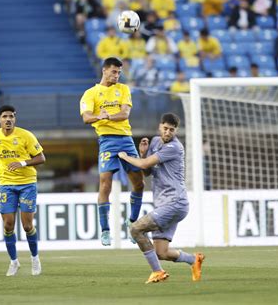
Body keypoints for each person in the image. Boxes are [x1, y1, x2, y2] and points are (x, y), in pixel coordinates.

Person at [118, 113, 204, 284]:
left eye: (171, 130)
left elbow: (143, 165)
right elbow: (148, 171)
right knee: (161, 253)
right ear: (160, 127)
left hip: (175, 202)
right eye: (165, 129)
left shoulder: (175, 147)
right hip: (166, 204)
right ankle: (194, 260)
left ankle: (157, 272)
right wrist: (143, 154)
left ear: (176, 131)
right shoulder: (156, 142)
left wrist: (126, 157)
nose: (167, 133)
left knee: (135, 230)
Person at [80, 57, 144, 246]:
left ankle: (132, 223)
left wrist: (107, 116)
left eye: (119, 72)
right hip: (107, 140)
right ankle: (105, 230)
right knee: (105, 183)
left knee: (139, 183)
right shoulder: (90, 93)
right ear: (104, 71)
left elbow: (125, 114)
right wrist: (98, 116)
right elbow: (86, 117)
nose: (117, 75)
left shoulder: (123, 89)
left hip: (126, 139)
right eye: (114, 71)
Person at [0, 105, 45, 276]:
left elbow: (41, 158)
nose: (8, 119)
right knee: (8, 225)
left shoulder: (25, 135)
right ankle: (14, 261)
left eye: (11, 116)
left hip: (27, 183)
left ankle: (35, 258)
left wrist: (22, 163)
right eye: (5, 116)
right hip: (6, 184)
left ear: (15, 118)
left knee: (27, 225)